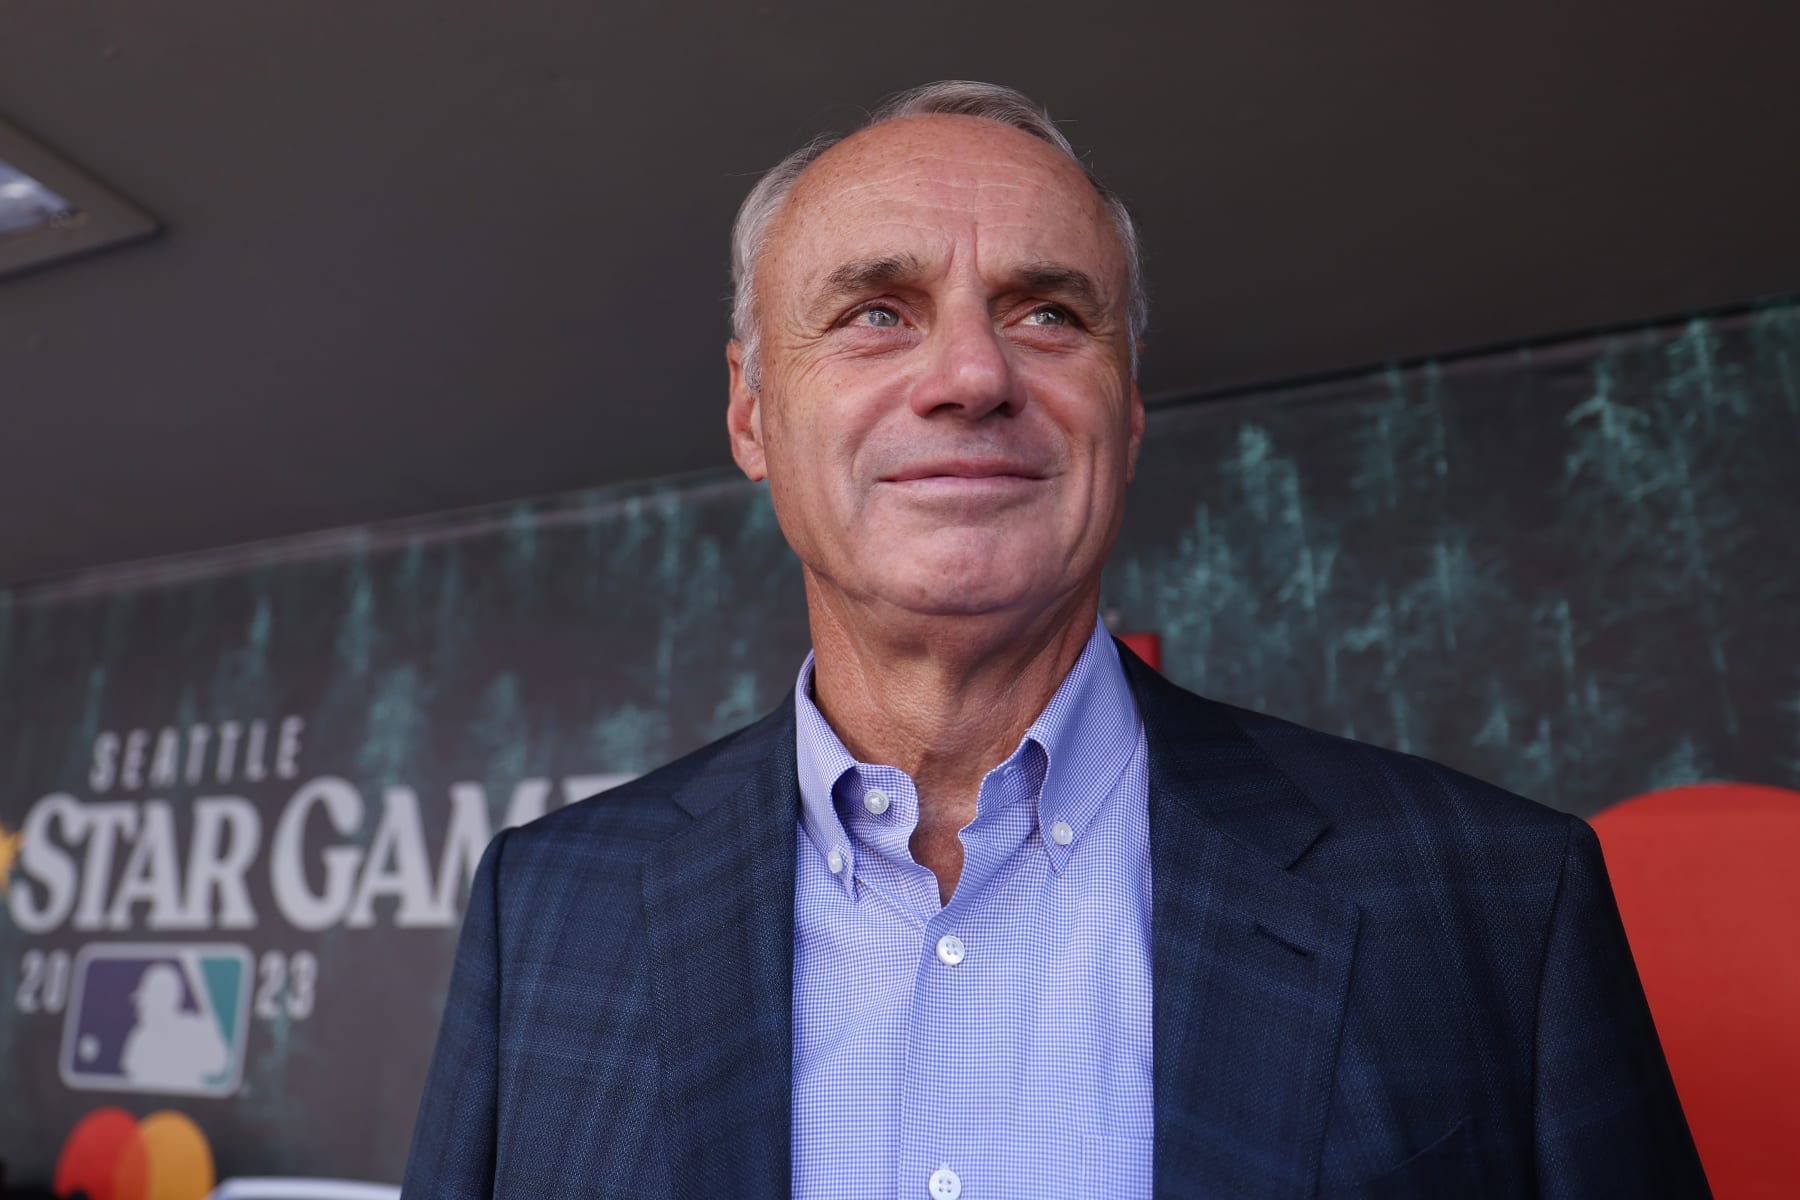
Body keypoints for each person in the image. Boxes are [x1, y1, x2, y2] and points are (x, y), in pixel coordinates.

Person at [401, 81, 1708, 1199]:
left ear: (1126, 417)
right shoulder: (548, 910)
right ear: (752, 413)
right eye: (875, 312)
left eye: (1048, 314)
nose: (971, 374)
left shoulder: (1496, 904)